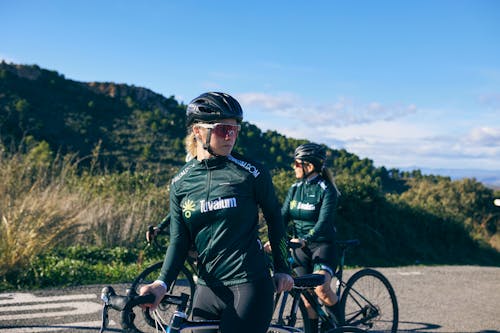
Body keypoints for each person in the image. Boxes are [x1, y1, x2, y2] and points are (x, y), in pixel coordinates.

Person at [139, 92, 293, 333]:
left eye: (235, 130)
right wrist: (161, 284)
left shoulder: (251, 173)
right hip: (207, 288)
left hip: (249, 284)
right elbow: (179, 241)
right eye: (223, 129)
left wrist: (283, 268)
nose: (230, 136)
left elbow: (275, 219)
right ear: (198, 131)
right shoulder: (181, 182)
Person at [282, 143, 341, 332]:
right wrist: (274, 238)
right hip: (300, 248)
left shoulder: (327, 190)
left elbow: (324, 222)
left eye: (296, 164)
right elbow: (282, 217)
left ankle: (341, 327)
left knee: (321, 289)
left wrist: (306, 238)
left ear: (309, 166)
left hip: (323, 245)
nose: (293, 167)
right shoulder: (295, 188)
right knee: (306, 297)